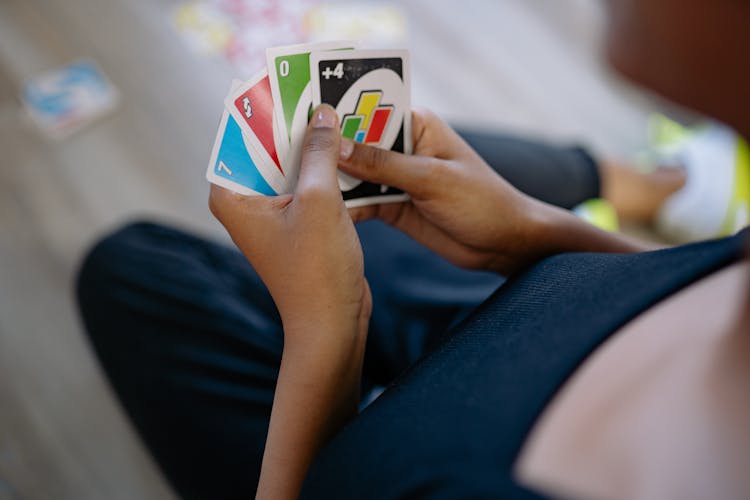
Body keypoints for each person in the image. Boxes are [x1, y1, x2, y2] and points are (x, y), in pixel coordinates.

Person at [77, 0, 750, 498]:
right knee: (384, 177)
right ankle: (668, 188)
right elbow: (675, 284)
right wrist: (532, 231)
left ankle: (367, 384)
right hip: (516, 312)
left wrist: (327, 338)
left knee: (131, 270)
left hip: (382, 439)